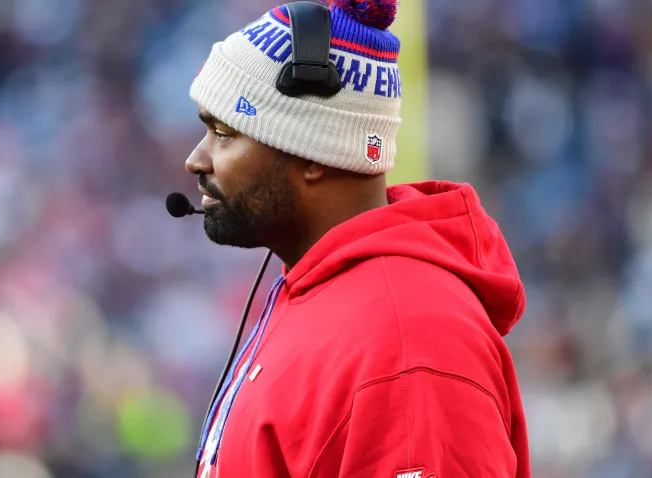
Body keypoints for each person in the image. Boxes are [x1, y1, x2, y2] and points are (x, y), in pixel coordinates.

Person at [184, 0, 531, 477]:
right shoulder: (319, 291)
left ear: (313, 152)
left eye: (224, 132)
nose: (196, 160)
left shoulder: (409, 340)